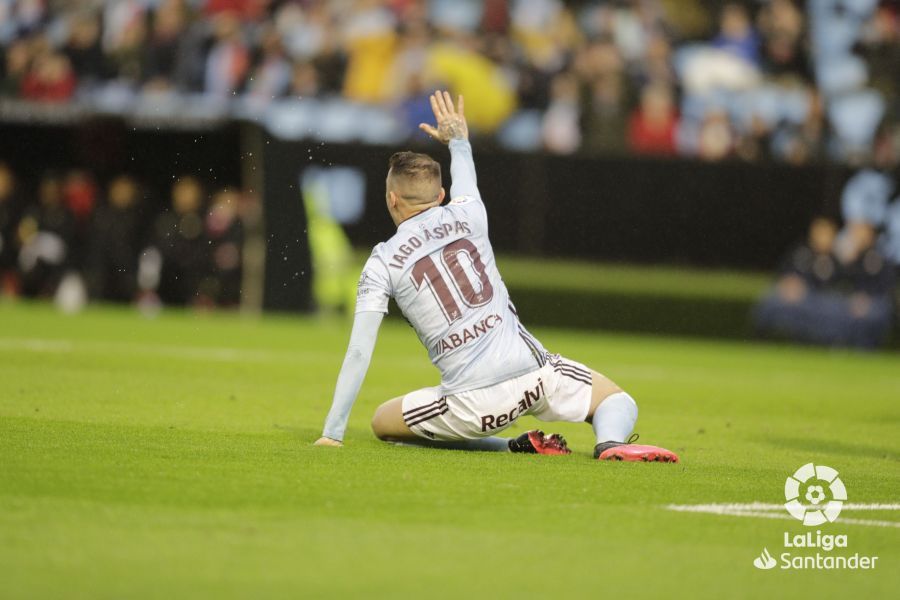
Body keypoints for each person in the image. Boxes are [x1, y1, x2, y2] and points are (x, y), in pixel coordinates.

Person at [315, 90, 679, 462]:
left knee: (382, 422)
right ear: (441, 195)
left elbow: (360, 350)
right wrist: (458, 139)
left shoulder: (382, 261)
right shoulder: (471, 213)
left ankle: (507, 445)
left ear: (392, 199)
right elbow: (465, 174)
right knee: (617, 400)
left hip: (471, 406)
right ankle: (611, 444)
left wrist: (333, 432)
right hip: (535, 379)